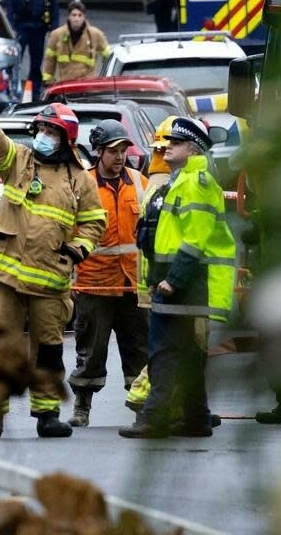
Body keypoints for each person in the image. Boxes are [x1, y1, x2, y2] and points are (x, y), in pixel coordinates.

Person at [0, 91, 106, 438]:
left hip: (50, 280)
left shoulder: (80, 179)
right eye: (41, 128)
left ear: (66, 139)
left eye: (51, 131)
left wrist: (77, 250)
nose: (43, 136)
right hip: (5, 273)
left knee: (49, 351)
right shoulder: (20, 160)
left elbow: (94, 222)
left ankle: (47, 414)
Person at [120, 118, 237, 438]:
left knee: (163, 354)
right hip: (177, 287)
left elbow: (195, 240)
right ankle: (196, 419)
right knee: (189, 355)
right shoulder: (178, 181)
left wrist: (173, 280)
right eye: (167, 141)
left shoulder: (196, 183)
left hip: (182, 288)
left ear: (193, 149)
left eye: (176, 142)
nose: (167, 146)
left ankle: (155, 419)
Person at [67, 120, 149, 427]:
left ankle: (143, 405)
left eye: (123, 150)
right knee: (91, 350)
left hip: (132, 284)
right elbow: (67, 231)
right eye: (113, 151)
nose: (119, 156)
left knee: (139, 348)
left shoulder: (140, 183)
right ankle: (82, 406)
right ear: (98, 151)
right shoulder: (82, 185)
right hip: (94, 283)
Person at [125, 115, 178, 413]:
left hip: (151, 280)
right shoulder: (166, 186)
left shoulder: (154, 182)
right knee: (171, 342)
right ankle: (143, 393)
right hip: (165, 281)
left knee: (166, 341)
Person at [8, 0, 58, 99]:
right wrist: (11, 26)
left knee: (36, 62)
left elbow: (54, 5)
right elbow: (10, 5)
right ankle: (13, 90)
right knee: (16, 61)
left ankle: (34, 93)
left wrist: (53, 27)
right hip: (21, 27)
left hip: (39, 28)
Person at [42, 1, 111, 86]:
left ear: (84, 17)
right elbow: (50, 60)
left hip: (88, 86)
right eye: (74, 15)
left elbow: (109, 56)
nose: (76, 18)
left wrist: (105, 79)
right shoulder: (57, 35)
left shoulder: (95, 35)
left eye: (79, 15)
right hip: (65, 85)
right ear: (69, 17)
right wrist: (48, 80)